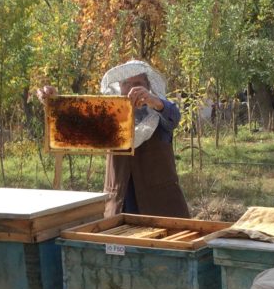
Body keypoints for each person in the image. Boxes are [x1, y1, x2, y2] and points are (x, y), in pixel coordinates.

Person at [38, 59, 189, 218]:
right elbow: (74, 123)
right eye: (127, 84)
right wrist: (54, 102)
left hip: (162, 210)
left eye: (138, 83)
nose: (132, 89)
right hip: (120, 205)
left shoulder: (159, 115)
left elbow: (173, 115)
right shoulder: (109, 119)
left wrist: (154, 102)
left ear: (148, 87)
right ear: (120, 87)